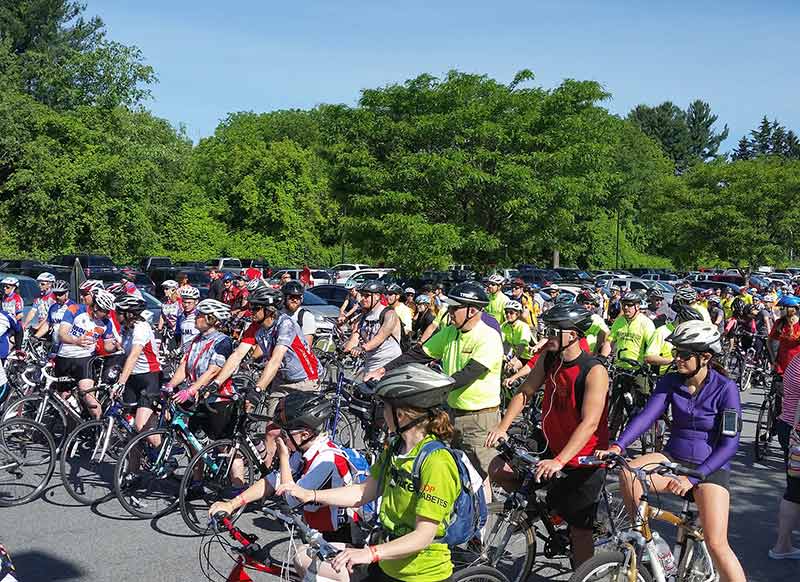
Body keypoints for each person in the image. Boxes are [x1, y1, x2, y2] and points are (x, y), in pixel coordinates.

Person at [275, 364, 461, 582]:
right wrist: (310, 495)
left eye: (384, 407)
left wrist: (369, 553)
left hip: (420, 574)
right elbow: (363, 492)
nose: (381, 414)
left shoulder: (437, 462)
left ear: (400, 415)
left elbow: (423, 536)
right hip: (386, 560)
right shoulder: (395, 447)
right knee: (308, 557)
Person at [596, 321, 746, 582]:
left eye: (684, 354)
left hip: (709, 468)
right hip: (673, 458)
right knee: (629, 473)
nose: (676, 358)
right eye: (675, 352)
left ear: (705, 357)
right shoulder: (671, 380)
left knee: (717, 543)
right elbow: (647, 416)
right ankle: (647, 541)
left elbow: (729, 444)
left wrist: (695, 477)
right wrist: (618, 445)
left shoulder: (725, 388)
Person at [486, 303, 609, 566]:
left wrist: (560, 461)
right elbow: (525, 391)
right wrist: (502, 427)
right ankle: (543, 511)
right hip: (550, 445)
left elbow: (589, 424)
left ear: (573, 335)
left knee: (580, 531)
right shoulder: (550, 358)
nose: (546, 335)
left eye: (553, 330)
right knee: (499, 468)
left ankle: (583, 573)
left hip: (582, 458)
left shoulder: (594, 370)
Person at [367, 282, 503, 501]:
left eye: (454, 308)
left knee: (480, 474)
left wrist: (428, 389)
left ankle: (481, 527)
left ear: (472, 310)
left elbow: (467, 375)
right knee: (453, 470)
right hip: (452, 412)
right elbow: (419, 354)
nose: (448, 312)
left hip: (479, 418)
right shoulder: (451, 332)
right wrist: (384, 369)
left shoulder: (488, 337)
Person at [209, 393, 357, 546]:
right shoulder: (303, 450)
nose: (281, 436)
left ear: (305, 434)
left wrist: (284, 457)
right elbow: (273, 480)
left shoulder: (326, 460)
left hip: (337, 534)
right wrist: (231, 505)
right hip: (315, 528)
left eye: (285, 433)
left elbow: (292, 499)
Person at [55, 289, 119, 420]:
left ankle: (99, 427)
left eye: (108, 311)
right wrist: (76, 341)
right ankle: (72, 430)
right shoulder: (75, 309)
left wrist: (116, 346)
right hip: (64, 358)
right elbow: (62, 334)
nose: (107, 314)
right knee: (64, 399)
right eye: (104, 311)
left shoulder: (107, 322)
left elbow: (107, 346)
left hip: (84, 360)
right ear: (96, 306)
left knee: (88, 396)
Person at [114, 295, 162, 434]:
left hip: (149, 377)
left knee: (141, 426)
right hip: (133, 378)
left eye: (118, 312)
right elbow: (123, 352)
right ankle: (133, 456)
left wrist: (120, 383)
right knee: (129, 427)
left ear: (128, 314)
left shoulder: (141, 328)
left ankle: (159, 453)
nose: (115, 314)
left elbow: (133, 356)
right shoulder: (126, 328)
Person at [770, 352, 800, 559]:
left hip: (787, 426)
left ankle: (783, 545)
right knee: (795, 492)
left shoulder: (797, 359)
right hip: (796, 430)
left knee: (794, 491)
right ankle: (782, 546)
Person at [602, 291, 670, 371]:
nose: (626, 307)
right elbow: (609, 342)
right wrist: (602, 358)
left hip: (638, 369)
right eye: (624, 305)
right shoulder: (619, 321)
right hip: (619, 367)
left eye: (629, 305)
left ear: (637, 306)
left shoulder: (646, 323)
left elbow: (652, 348)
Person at [344, 281, 401, 375]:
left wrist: (361, 348)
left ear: (377, 296)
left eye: (366, 296)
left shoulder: (389, 314)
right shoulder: (363, 316)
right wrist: (346, 349)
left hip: (389, 362)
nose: (362, 299)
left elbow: (380, 337)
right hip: (371, 362)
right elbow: (355, 335)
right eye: (361, 295)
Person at [35, 280, 75, 353]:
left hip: (68, 348)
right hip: (55, 345)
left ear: (67, 293)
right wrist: (36, 337)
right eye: (55, 294)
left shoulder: (74, 308)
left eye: (60, 294)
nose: (57, 297)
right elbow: (47, 324)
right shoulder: (53, 307)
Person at [768, 295, 800, 376]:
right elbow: (769, 341)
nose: (780, 310)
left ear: (792, 309)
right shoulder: (779, 323)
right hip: (781, 368)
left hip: (797, 369)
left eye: (782, 308)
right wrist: (773, 359)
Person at [281, 280, 317, 346]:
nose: (295, 300)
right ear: (284, 298)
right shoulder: (277, 314)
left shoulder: (306, 316)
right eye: (291, 297)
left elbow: (307, 346)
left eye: (298, 297)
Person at [500, 300, 533, 369]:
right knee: (506, 368)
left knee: (511, 368)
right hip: (520, 357)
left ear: (518, 314)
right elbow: (498, 340)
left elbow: (522, 345)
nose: (508, 315)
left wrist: (514, 360)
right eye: (506, 313)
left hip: (531, 357)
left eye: (511, 313)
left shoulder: (523, 326)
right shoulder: (505, 326)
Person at [174, 286, 200, 353]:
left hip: (197, 353)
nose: (186, 305)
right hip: (184, 354)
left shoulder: (200, 316)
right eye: (184, 302)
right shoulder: (181, 316)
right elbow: (178, 335)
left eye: (189, 302)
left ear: (196, 301)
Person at [386, 284, 412, 348]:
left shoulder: (405, 310)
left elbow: (407, 330)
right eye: (387, 294)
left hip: (399, 345)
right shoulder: (386, 308)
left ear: (397, 296)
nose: (387, 297)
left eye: (390, 294)